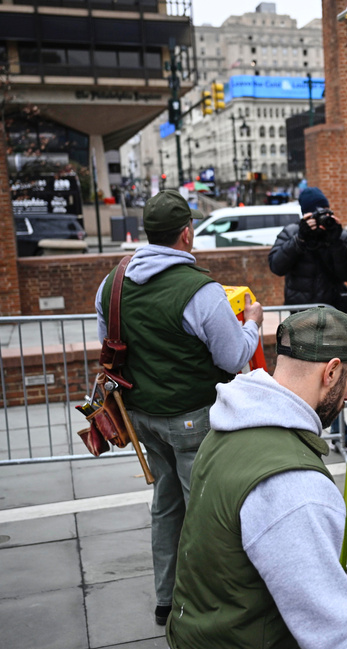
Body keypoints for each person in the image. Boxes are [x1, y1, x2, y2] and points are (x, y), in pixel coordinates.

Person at [165, 307, 347, 649]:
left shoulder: (229, 426)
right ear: (332, 371)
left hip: (202, 643)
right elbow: (327, 622)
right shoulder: (292, 481)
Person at [94, 189, 263, 626]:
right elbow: (231, 357)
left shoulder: (112, 283)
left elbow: (110, 343)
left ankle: (166, 599)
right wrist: (252, 324)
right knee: (206, 513)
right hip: (192, 419)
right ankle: (209, 608)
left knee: (166, 505)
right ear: (187, 234)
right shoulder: (199, 291)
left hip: (141, 418)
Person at [268, 186, 347, 313]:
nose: (323, 217)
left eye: (326, 211)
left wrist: (336, 242)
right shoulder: (292, 233)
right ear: (306, 215)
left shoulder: (339, 235)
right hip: (301, 313)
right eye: (317, 213)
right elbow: (276, 266)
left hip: (333, 311)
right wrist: (300, 240)